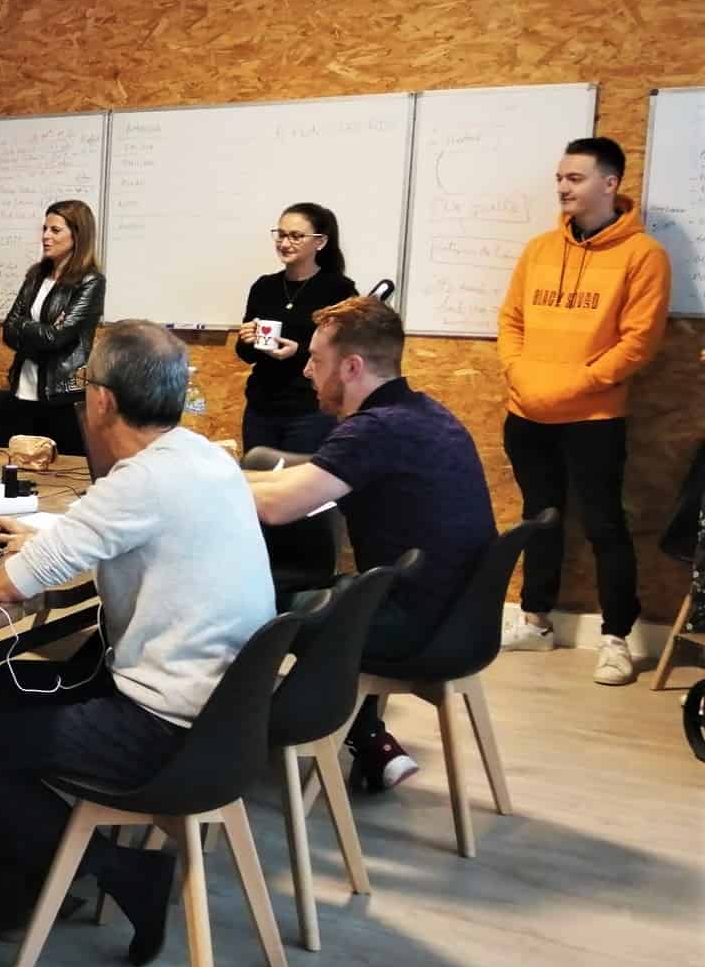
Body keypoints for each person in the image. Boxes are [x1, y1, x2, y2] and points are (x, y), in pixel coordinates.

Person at [0, 322, 273, 961]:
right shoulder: (202, 458)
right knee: (9, 686)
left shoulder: (135, 485)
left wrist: (26, 549)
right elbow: (122, 528)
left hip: (165, 728)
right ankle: (17, 880)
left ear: (102, 400)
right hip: (227, 718)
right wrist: (47, 533)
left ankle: (121, 872)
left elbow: (8, 585)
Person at [243, 297, 496, 793]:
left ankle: (226, 742)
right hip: (460, 617)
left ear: (352, 367)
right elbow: (299, 485)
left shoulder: (375, 429)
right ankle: (371, 741)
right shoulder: (424, 412)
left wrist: (202, 481)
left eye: (316, 361)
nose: (307, 372)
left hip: (416, 624)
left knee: (257, 610)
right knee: (324, 594)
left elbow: (278, 506)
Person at [496, 137, 672, 685]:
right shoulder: (539, 250)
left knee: (604, 525)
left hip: (595, 418)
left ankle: (617, 637)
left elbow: (638, 342)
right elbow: (511, 321)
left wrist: (577, 385)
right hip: (527, 412)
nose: (562, 187)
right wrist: (520, 375)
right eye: (560, 178)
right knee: (539, 518)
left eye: (575, 178)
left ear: (610, 184)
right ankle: (536, 620)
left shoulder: (644, 256)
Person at [234, 202, 357, 453]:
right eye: (280, 234)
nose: (284, 243)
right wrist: (246, 338)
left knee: (298, 485)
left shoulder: (339, 289)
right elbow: (246, 355)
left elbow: (345, 353)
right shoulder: (264, 286)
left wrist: (299, 352)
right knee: (259, 480)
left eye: (296, 236)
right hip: (261, 408)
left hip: (311, 411)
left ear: (320, 242)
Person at [0, 200, 105, 455]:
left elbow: (57, 338)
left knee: (60, 474)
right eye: (45, 229)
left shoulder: (90, 282)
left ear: (77, 235)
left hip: (62, 396)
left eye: (55, 230)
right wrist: (36, 327)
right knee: (21, 468)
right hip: (23, 390)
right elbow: (8, 330)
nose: (46, 236)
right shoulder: (36, 276)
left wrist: (25, 326)